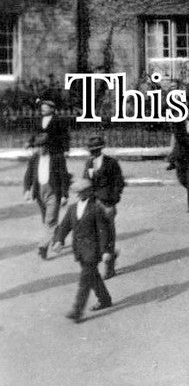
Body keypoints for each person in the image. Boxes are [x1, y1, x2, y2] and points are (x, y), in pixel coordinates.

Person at [52, 178, 115, 322]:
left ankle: (77, 310)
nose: (79, 195)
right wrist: (59, 240)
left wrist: (106, 250)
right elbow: (64, 226)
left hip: (93, 250)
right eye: (77, 192)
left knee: (85, 280)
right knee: (93, 276)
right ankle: (105, 299)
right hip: (79, 250)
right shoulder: (73, 208)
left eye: (82, 192)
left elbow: (103, 230)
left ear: (89, 192)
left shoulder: (96, 208)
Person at [82, 135, 124, 278]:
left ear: (100, 149)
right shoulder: (88, 164)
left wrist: (113, 200)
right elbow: (85, 182)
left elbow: (119, 182)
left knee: (108, 234)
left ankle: (109, 267)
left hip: (107, 203)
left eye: (95, 150)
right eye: (90, 150)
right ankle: (110, 255)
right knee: (95, 234)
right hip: (93, 204)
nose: (92, 153)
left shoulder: (111, 163)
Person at [23, 132, 70, 259]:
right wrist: (27, 189)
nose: (39, 149)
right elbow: (28, 175)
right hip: (39, 193)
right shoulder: (34, 158)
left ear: (47, 146)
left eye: (42, 146)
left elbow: (64, 176)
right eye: (37, 146)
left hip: (53, 193)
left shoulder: (57, 157)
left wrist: (65, 194)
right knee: (46, 221)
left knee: (50, 221)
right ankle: (59, 238)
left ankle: (43, 247)